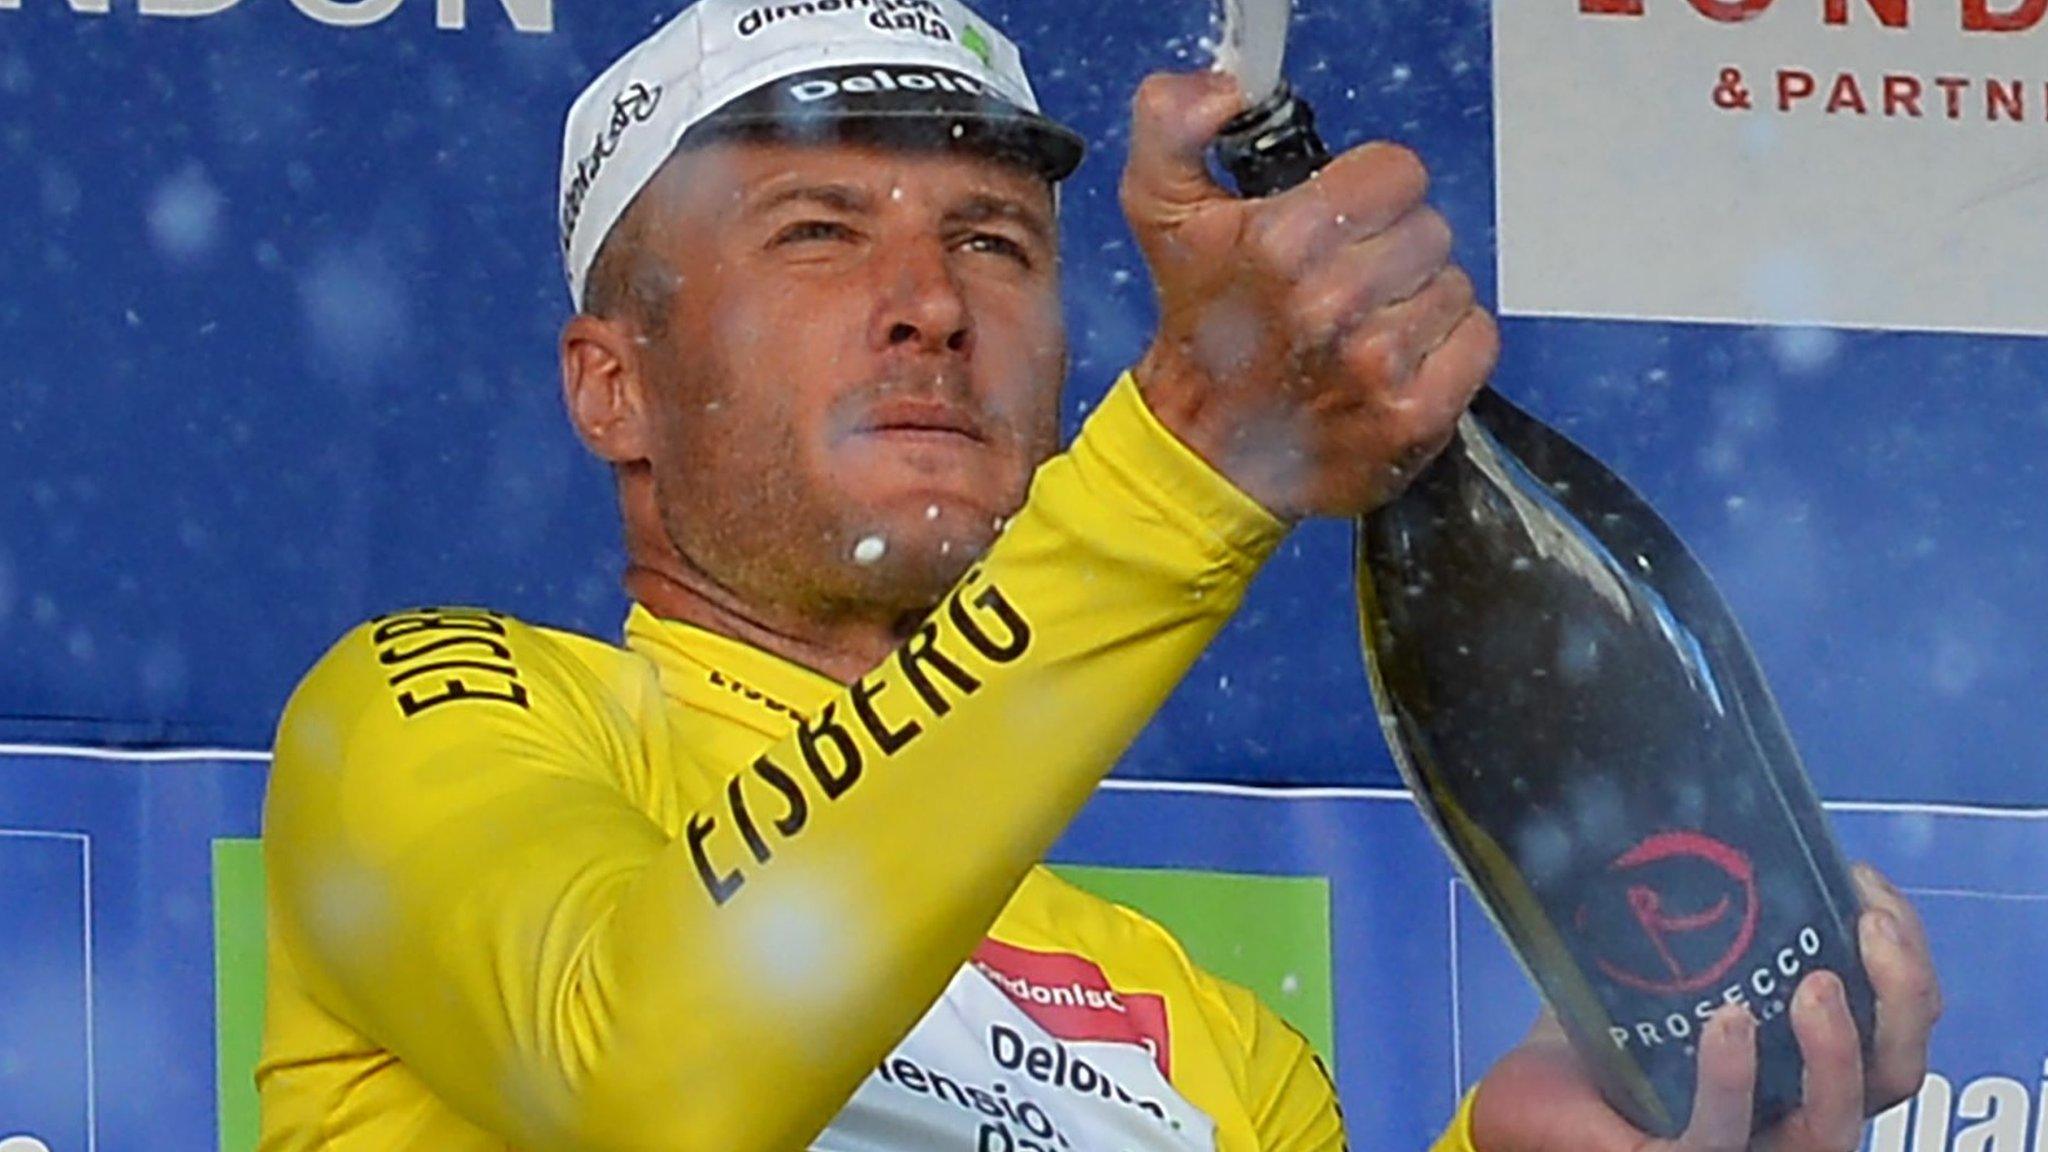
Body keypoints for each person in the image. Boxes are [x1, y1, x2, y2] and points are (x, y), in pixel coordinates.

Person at [254, 0, 1941, 1148]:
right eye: (820, 232)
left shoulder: (1209, 1042)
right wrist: (1192, 456)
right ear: (611, 381)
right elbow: (652, 1069)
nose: (931, 304)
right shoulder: (431, 719)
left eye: (991, 244)